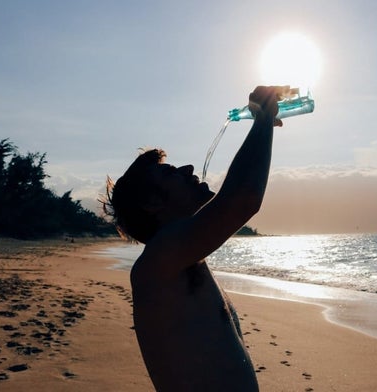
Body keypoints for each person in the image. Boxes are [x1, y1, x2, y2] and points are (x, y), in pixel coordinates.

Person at [103, 86, 285, 391]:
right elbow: (242, 200)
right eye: (171, 173)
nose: (188, 168)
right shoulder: (159, 261)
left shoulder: (182, 259)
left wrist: (263, 124)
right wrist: (263, 120)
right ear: (153, 204)